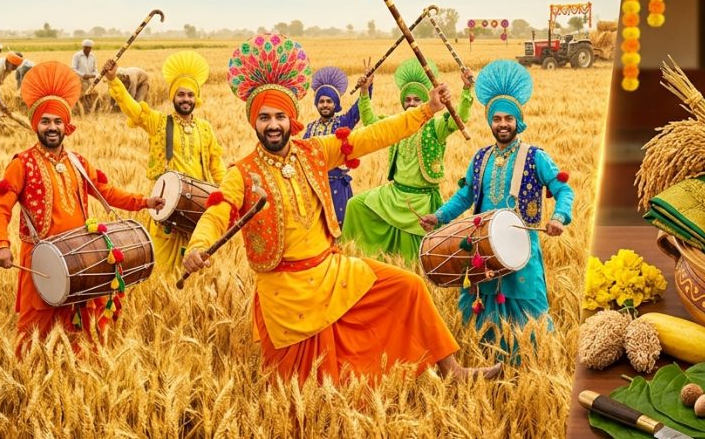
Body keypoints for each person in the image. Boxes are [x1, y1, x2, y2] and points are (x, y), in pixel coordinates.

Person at [182, 32, 499, 383]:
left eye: (280, 117)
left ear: (292, 120)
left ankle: (452, 370)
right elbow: (217, 210)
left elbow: (371, 137)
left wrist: (426, 111)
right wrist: (197, 245)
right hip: (286, 291)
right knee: (304, 389)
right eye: (265, 118)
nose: (273, 125)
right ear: (253, 122)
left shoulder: (315, 151)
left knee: (409, 286)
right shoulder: (242, 174)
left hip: (333, 271)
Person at [0, 62, 164, 348]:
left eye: (58, 121)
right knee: (34, 332)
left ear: (66, 126)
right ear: (36, 125)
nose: (52, 127)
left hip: (83, 260)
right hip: (41, 261)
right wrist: (0, 244)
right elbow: (1, 207)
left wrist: (144, 201)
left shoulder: (78, 163)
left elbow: (107, 192)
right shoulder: (22, 164)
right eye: (45, 121)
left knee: (82, 333)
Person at [421, 59, 574, 357]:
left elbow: (563, 189)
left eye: (509, 119)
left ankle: (536, 361)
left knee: (530, 306)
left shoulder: (535, 157)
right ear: (490, 121)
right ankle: (484, 361)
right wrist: (438, 217)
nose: (503, 124)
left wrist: (558, 216)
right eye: (497, 119)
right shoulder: (480, 158)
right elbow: (464, 197)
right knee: (478, 306)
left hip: (521, 248)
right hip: (480, 249)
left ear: (519, 121)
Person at [102, 51, 225, 277]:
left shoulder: (205, 128)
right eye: (181, 94)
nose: (186, 99)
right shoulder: (159, 122)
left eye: (190, 95)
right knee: (161, 270)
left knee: (197, 271)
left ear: (196, 98)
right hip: (165, 208)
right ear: (173, 97)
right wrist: (113, 80)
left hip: (197, 211)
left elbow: (216, 164)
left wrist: (227, 194)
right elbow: (134, 110)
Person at [342, 58, 474, 265]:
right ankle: (353, 261)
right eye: (408, 99)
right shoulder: (398, 126)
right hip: (393, 194)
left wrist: (466, 90)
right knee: (355, 205)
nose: (411, 103)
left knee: (413, 260)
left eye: (416, 100)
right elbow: (371, 123)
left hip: (420, 200)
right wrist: (364, 92)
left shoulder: (435, 127)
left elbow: (459, 119)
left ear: (426, 102)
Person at [300, 66, 362, 224]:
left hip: (337, 186)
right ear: (316, 104)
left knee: (339, 225)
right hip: (315, 186)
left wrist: (366, 89)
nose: (325, 105)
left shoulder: (343, 122)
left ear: (336, 104)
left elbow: (358, 110)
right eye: (321, 101)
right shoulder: (310, 128)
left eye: (329, 101)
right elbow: (301, 154)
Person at [71, 39, 97, 108]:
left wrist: (94, 75)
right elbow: (73, 68)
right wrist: (83, 75)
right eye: (86, 47)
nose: (88, 49)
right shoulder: (77, 56)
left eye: (89, 48)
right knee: (82, 96)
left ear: (91, 48)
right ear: (83, 47)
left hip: (89, 80)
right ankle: (79, 109)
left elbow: (95, 69)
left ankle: (88, 109)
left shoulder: (93, 56)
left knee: (92, 95)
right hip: (79, 80)